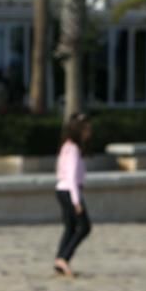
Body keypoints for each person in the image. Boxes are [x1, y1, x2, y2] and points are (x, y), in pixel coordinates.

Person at [53, 113, 92, 278]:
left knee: (70, 227)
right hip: (69, 191)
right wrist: (77, 202)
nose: (89, 132)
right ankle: (64, 258)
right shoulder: (73, 149)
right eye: (86, 129)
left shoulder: (66, 146)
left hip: (63, 190)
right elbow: (71, 177)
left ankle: (60, 260)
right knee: (84, 226)